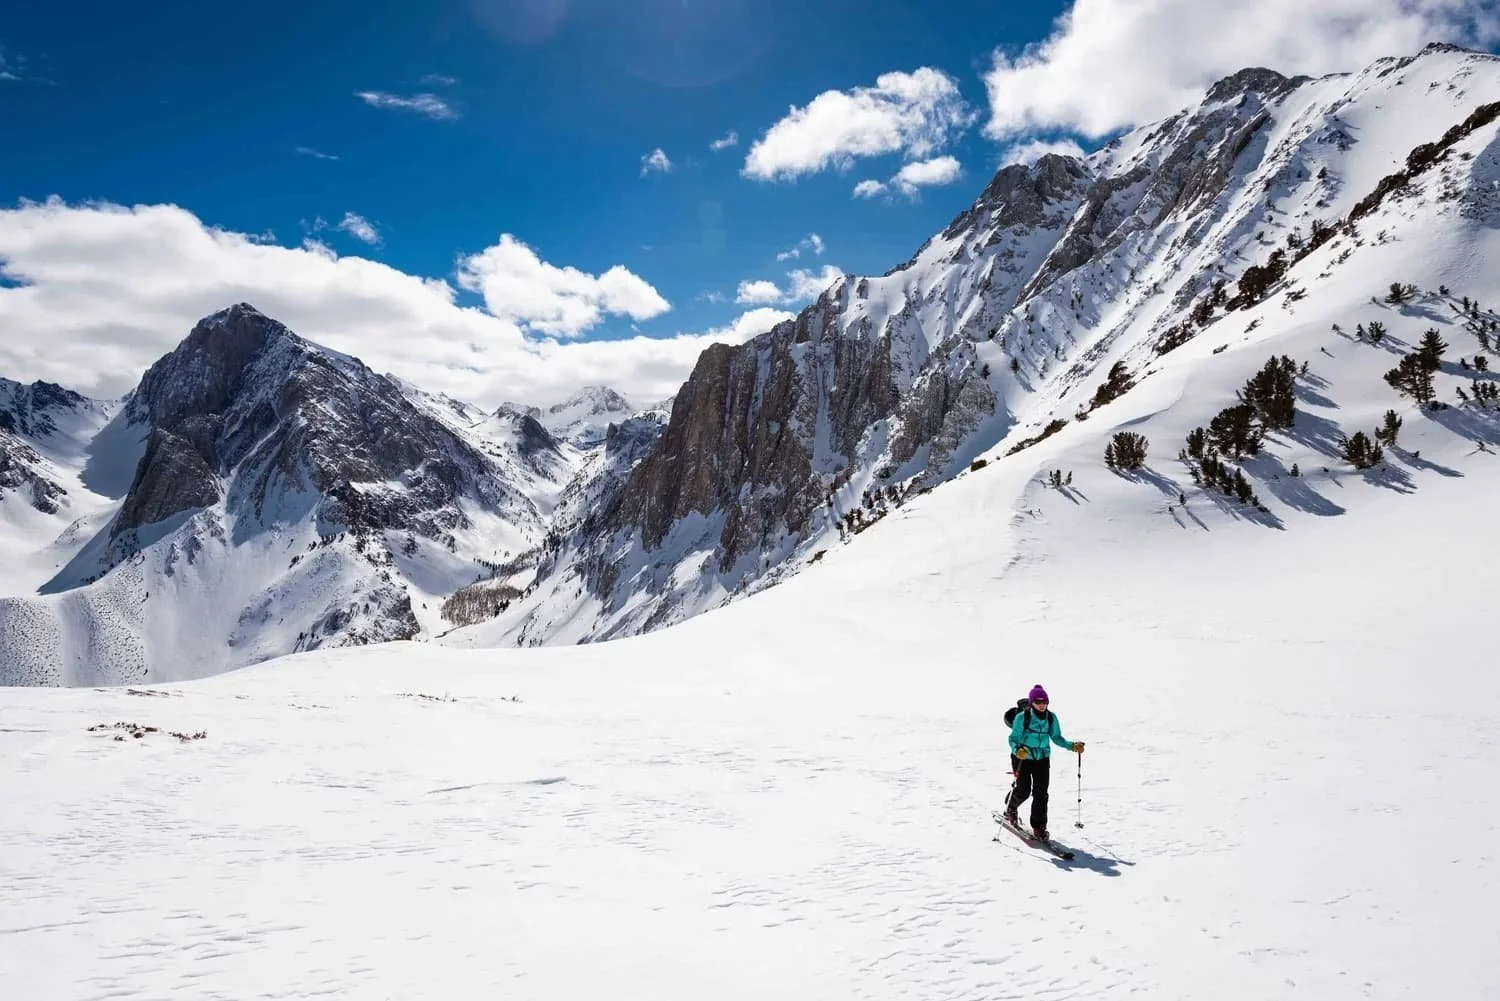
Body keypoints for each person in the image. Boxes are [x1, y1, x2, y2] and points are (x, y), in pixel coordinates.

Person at [1003, 685, 1084, 841]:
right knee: (1023, 789)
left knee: (1041, 793)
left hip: (1042, 759)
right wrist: (1017, 750)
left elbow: (1057, 738)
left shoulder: (1051, 718)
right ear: (1032, 702)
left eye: (1045, 701)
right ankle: (1010, 808)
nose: (1042, 704)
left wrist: (1072, 746)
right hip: (1022, 757)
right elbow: (1013, 738)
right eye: (1038, 701)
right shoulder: (1022, 717)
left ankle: (1039, 827)